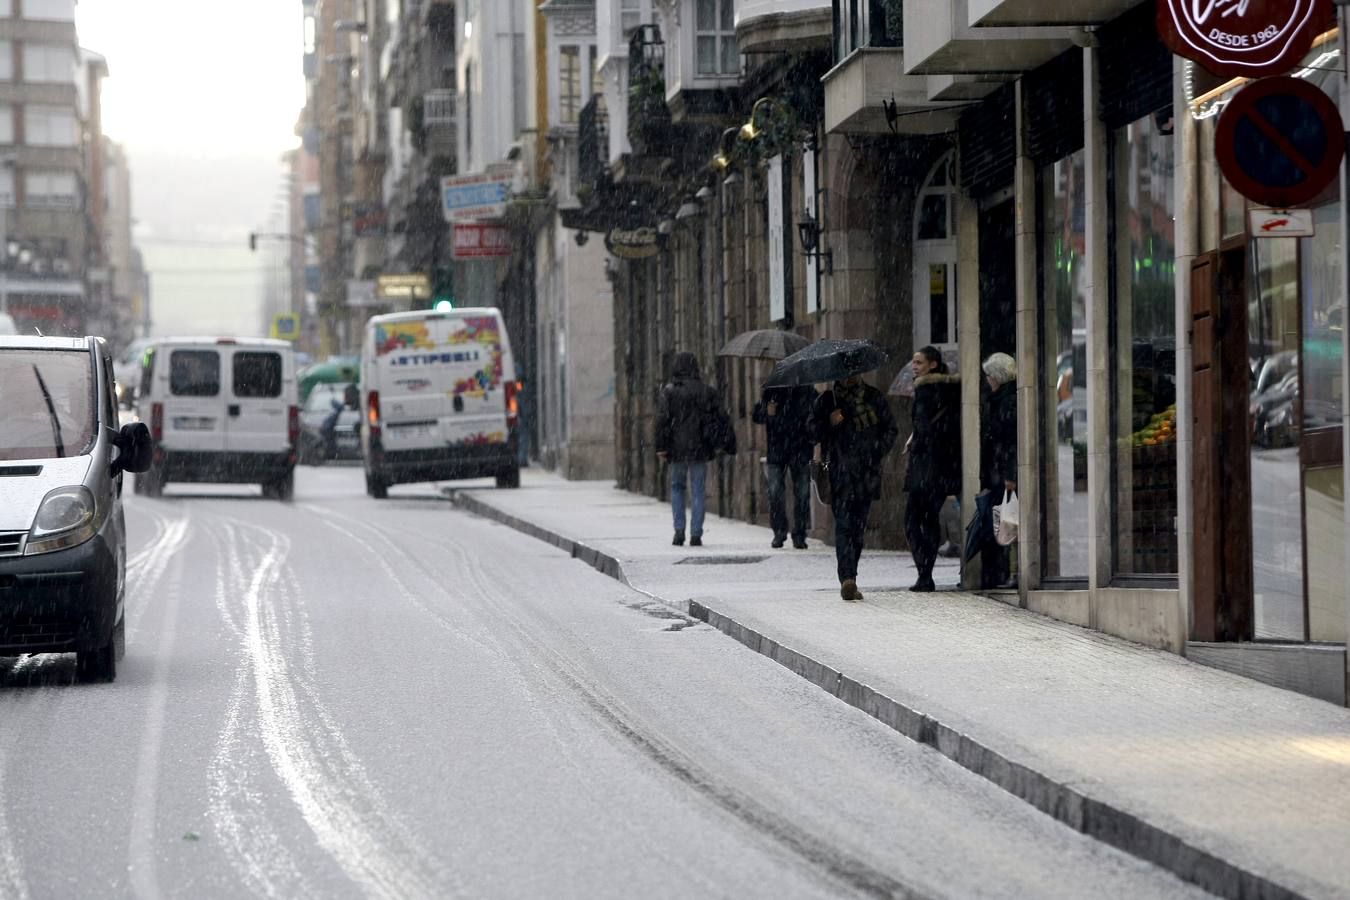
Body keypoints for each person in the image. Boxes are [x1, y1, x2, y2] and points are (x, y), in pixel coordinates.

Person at [814, 372, 898, 602]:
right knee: (843, 526)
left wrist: (875, 452)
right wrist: (829, 423)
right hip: (839, 474)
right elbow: (811, 433)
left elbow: (890, 429)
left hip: (866, 473)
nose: (849, 378)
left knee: (858, 530)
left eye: (854, 373)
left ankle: (851, 574)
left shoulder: (873, 397)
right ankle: (847, 578)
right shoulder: (827, 400)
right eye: (845, 374)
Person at [655, 352, 735, 547]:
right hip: (700, 447)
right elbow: (720, 417)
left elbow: (662, 421)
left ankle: (679, 530)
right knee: (698, 490)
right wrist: (720, 442)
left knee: (677, 488)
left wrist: (661, 446)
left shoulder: (669, 392)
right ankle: (696, 533)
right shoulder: (706, 391)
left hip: (676, 449)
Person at [904, 346, 961, 592]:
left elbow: (925, 430)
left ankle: (924, 573)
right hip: (942, 467)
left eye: (918, 362)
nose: (914, 367)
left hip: (925, 467)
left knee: (912, 521)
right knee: (928, 520)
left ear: (933, 365)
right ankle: (925, 573)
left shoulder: (925, 391)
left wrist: (916, 442)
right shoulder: (951, 390)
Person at [753, 384, 818, 549]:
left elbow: (817, 418)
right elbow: (757, 415)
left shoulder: (809, 392)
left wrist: (810, 430)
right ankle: (779, 532)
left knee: (802, 494)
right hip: (777, 451)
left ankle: (800, 534)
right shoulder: (772, 390)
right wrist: (767, 412)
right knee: (775, 493)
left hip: (801, 450)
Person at [981, 352, 1018, 588]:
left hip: (1004, 474)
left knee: (1007, 523)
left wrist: (1010, 475)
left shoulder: (1007, 401)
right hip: (999, 471)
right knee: (1004, 521)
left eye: (988, 376)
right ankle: (1002, 573)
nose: (987, 381)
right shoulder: (1002, 399)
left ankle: (1007, 572)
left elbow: (1010, 440)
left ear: (996, 377)